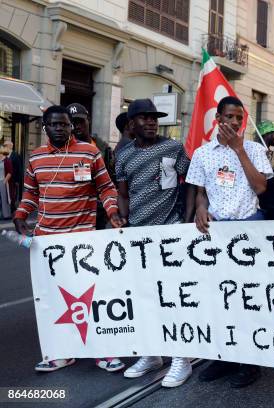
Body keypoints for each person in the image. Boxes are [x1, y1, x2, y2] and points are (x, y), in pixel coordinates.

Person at [13, 105, 125, 372]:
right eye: (55, 125)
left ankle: (104, 353)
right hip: (47, 241)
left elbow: (106, 187)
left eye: (65, 124)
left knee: (92, 296)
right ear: (45, 127)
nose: (61, 129)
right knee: (53, 299)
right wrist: (20, 215)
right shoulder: (35, 158)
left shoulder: (89, 152)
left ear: (71, 126)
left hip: (81, 241)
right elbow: (30, 193)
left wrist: (111, 211)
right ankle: (60, 353)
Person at [186, 96, 272, 388]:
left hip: (248, 231)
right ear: (218, 119)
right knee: (219, 299)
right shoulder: (202, 154)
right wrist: (200, 206)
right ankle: (224, 358)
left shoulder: (255, 149)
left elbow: (260, 186)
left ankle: (250, 362)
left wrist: (238, 150)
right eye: (230, 117)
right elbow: (201, 192)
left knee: (247, 300)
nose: (235, 122)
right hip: (217, 234)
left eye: (240, 118)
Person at [115, 99, 193, 387]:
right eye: (144, 118)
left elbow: (192, 180)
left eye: (154, 118)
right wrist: (122, 219)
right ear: (131, 124)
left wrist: (187, 218)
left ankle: (180, 359)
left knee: (171, 298)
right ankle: (151, 354)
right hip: (138, 236)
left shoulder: (173, 148)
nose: (151, 122)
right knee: (144, 299)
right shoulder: (123, 156)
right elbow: (123, 193)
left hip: (170, 233)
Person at [67, 103, 115, 229]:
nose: (76, 126)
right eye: (72, 123)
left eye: (80, 121)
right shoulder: (63, 149)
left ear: (88, 120)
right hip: (73, 213)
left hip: (99, 212)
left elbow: (111, 180)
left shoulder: (103, 148)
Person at [3, 140, 22, 205]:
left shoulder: (16, 155)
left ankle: (12, 208)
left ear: (10, 146)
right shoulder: (3, 154)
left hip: (13, 179)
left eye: (5, 145)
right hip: (4, 178)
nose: (4, 146)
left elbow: (19, 169)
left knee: (12, 195)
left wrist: (17, 181)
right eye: (4, 145)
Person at [0, 146, 13, 218]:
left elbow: (10, 172)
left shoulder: (7, 160)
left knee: (4, 199)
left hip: (3, 182)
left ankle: (6, 215)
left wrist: (4, 182)